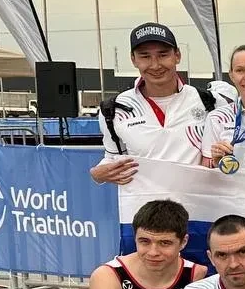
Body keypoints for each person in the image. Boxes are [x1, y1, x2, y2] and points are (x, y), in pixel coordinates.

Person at [91, 24, 214, 185]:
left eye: (163, 55)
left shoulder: (209, 102)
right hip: (143, 201)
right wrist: (97, 174)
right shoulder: (113, 109)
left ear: (177, 55)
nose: (155, 65)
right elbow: (113, 158)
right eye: (145, 56)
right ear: (133, 59)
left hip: (198, 200)